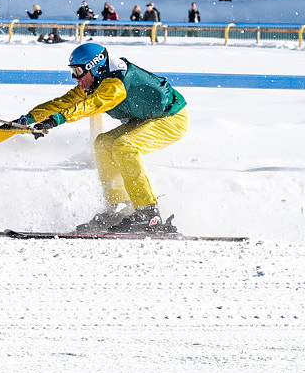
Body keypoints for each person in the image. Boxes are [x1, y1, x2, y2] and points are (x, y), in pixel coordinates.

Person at [14, 43, 186, 234]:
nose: (74, 77)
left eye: (78, 71)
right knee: (103, 144)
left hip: (171, 119)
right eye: (73, 70)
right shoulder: (97, 81)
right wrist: (28, 118)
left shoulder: (115, 85)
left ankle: (148, 213)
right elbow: (64, 102)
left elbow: (92, 105)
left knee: (125, 146)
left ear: (96, 66)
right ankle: (118, 208)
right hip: (144, 120)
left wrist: (57, 120)